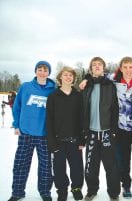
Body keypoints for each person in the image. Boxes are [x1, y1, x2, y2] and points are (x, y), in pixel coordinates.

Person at [79, 56, 132, 197]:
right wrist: (86, 78)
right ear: (120, 68)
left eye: (130, 67)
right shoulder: (113, 79)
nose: (128, 70)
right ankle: (126, 185)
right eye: (125, 67)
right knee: (123, 161)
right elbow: (97, 74)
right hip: (121, 129)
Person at [8, 61, 55, 201]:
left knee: (45, 166)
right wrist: (16, 124)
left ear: (48, 73)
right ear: (35, 71)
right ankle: (17, 192)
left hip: (44, 134)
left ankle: (45, 191)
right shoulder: (26, 87)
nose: (42, 72)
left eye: (45, 70)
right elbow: (17, 107)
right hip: (26, 133)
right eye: (39, 69)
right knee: (21, 164)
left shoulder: (53, 90)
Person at [82, 56, 120, 201]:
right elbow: (82, 110)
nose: (97, 66)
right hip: (91, 132)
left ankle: (114, 192)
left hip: (107, 132)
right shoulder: (86, 86)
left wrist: (114, 129)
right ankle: (91, 190)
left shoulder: (110, 85)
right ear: (91, 69)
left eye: (99, 64)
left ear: (104, 68)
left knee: (111, 165)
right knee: (91, 165)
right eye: (94, 65)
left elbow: (115, 108)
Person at [46, 67, 85, 201]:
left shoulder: (78, 96)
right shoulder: (53, 97)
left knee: (77, 168)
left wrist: (81, 140)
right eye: (65, 75)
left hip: (75, 141)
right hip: (58, 141)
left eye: (71, 75)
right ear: (60, 78)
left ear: (73, 79)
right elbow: (49, 121)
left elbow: (82, 119)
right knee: (59, 169)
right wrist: (52, 143)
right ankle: (62, 191)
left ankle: (76, 188)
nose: (68, 77)